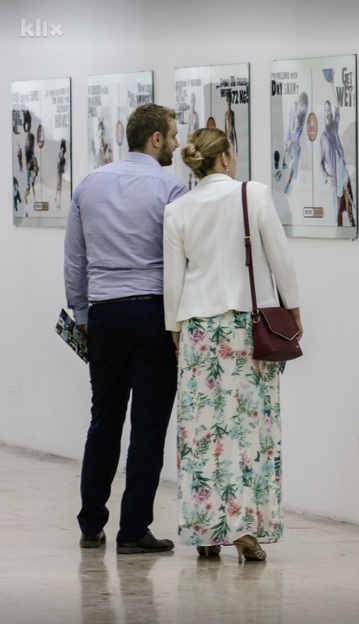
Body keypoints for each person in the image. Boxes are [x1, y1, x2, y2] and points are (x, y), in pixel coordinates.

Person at [164, 127, 302, 562]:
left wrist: (175, 331)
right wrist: (294, 309)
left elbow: (173, 280)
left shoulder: (177, 210)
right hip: (247, 327)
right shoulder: (253, 194)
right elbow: (280, 259)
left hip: (198, 331)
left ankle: (206, 530)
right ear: (224, 157)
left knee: (202, 432)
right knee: (248, 429)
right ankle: (244, 530)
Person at [63, 103, 185, 554]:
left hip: (106, 315)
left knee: (104, 419)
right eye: (172, 135)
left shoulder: (89, 185)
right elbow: (181, 261)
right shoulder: (171, 188)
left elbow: (75, 259)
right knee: (148, 427)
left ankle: (91, 524)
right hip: (154, 315)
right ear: (155, 139)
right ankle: (133, 530)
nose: (176, 144)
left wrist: (82, 315)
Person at [320, 73, 356, 227]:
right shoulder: (323, 137)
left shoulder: (334, 128)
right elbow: (320, 164)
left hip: (344, 174)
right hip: (336, 179)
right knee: (338, 216)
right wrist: (326, 177)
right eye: (325, 110)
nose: (327, 112)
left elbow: (337, 108)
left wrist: (332, 86)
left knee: (351, 211)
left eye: (328, 110)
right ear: (323, 114)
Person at [276, 92, 308, 194]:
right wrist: (287, 142)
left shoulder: (302, 119)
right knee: (286, 158)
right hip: (290, 142)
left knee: (293, 165)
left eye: (304, 106)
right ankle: (281, 173)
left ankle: (288, 183)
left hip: (296, 145)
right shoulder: (292, 111)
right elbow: (289, 130)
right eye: (301, 105)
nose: (302, 109)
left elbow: (299, 136)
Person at [224, 91, 238, 155]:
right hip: (227, 137)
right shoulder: (226, 114)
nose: (229, 102)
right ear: (226, 101)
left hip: (232, 136)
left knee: (232, 154)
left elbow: (234, 128)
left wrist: (236, 145)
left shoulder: (232, 113)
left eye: (230, 100)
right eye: (228, 100)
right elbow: (225, 128)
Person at [55, 139, 67, 209]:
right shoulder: (59, 156)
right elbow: (58, 165)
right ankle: (57, 198)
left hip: (60, 173)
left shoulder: (64, 160)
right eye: (61, 150)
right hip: (59, 173)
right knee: (58, 186)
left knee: (60, 186)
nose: (61, 151)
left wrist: (63, 176)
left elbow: (63, 169)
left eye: (62, 150)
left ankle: (58, 200)